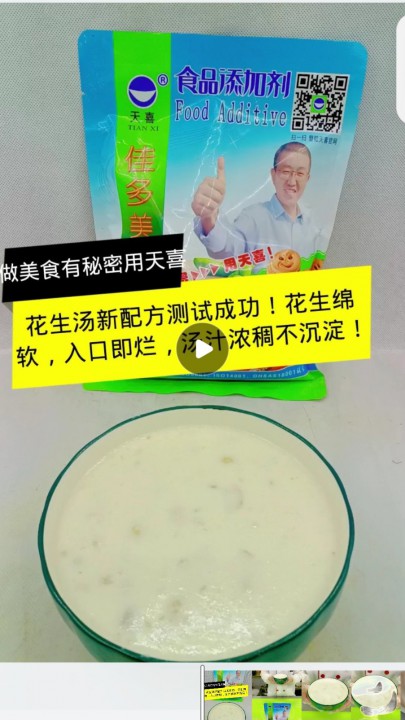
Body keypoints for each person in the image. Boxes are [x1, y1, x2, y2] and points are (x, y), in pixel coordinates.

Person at [192, 141, 327, 270]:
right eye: (286, 171)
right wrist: (208, 217)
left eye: (300, 173)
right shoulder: (253, 217)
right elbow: (227, 248)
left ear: (307, 178)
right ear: (273, 175)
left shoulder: (315, 222)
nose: (292, 181)